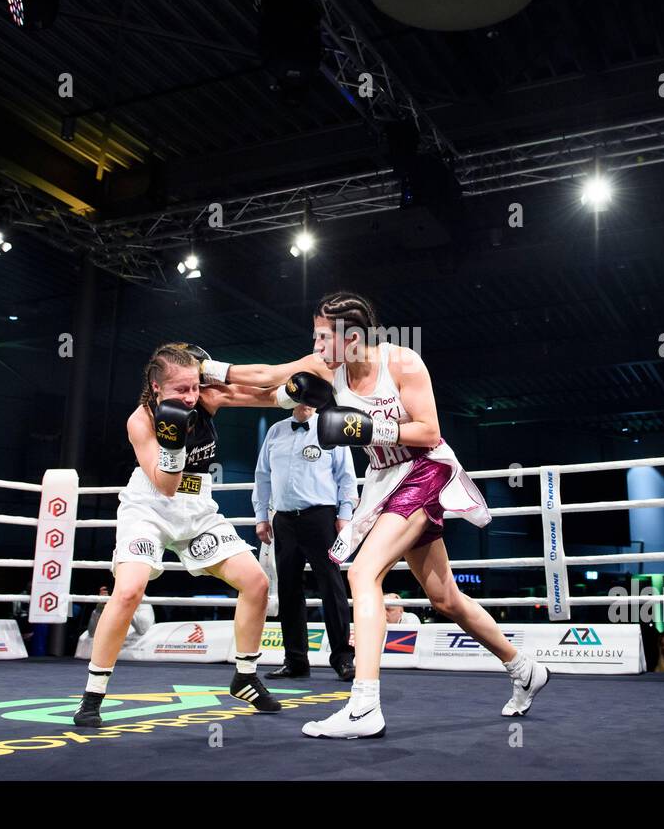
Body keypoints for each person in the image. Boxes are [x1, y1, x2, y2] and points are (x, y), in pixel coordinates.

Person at [210, 291, 550, 739]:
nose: (314, 347)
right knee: (445, 598)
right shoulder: (327, 369)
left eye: (321, 337)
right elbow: (269, 378)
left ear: (351, 337)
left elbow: (429, 431)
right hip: (384, 479)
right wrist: (207, 378)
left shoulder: (403, 363)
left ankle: (364, 705)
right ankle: (523, 667)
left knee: (363, 574)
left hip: (425, 469)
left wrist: (370, 427)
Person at [73, 343, 287, 727]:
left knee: (256, 582)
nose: (190, 397)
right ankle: (92, 695)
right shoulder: (140, 421)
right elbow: (166, 486)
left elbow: (265, 390)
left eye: (194, 387)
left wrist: (296, 390)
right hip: (150, 506)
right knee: (127, 591)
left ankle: (245, 676)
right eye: (180, 390)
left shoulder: (205, 398)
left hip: (197, 508)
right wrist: (173, 445)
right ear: (157, 388)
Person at [253, 402, 358, 680]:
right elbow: (262, 476)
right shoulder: (275, 431)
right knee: (288, 590)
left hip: (320, 517)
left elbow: (346, 477)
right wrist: (261, 516)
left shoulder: (332, 428)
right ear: (292, 399)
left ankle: (343, 659)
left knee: (332, 587)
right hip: (284, 520)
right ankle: (295, 660)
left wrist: (345, 514)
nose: (307, 402)